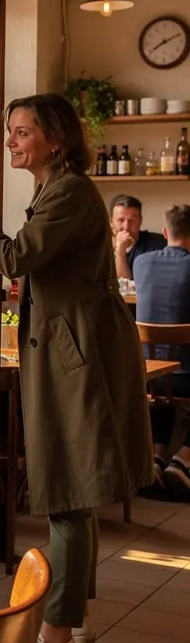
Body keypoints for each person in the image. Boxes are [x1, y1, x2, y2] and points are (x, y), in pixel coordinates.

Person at [0, 94, 153, 643]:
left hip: (74, 353)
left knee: (68, 493)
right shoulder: (56, 190)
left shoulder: (72, 191)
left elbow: (14, 258)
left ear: (55, 139)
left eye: (22, 132)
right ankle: (74, 623)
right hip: (72, 347)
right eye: (10, 131)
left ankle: (55, 638)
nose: (11, 141)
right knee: (76, 490)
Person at [132, 204, 190, 493]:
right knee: (179, 366)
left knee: (164, 376)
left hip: (148, 374)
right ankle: (182, 460)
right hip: (184, 378)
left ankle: (156, 457)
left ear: (165, 232)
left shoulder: (141, 263)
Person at [111, 193, 166, 282]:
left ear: (140, 221)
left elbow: (125, 287)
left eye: (132, 221)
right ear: (111, 222)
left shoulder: (157, 246)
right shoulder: (100, 249)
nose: (126, 227)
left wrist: (120, 252)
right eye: (120, 220)